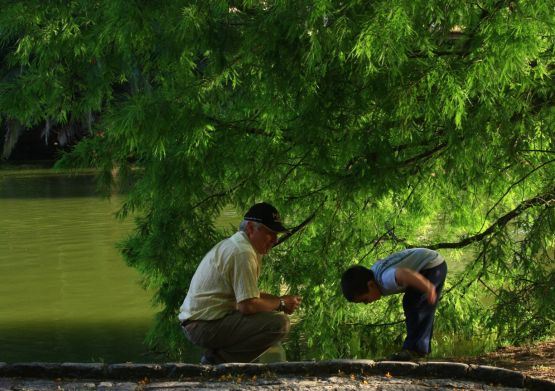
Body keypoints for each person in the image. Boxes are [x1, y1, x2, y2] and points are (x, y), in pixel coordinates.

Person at [178, 202, 302, 364]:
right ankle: (217, 362)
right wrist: (281, 303)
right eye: (269, 233)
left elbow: (250, 296)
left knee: (268, 316)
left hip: (199, 322)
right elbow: (247, 306)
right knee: (279, 324)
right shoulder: (243, 253)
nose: (274, 239)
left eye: (276, 233)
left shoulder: (241, 246)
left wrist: (281, 301)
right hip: (203, 326)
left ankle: (218, 360)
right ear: (250, 228)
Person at [341, 248, 447, 360]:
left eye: (365, 300)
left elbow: (403, 274)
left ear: (371, 285)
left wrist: (428, 288)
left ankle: (415, 350)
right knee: (413, 303)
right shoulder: (373, 274)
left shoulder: (385, 279)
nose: (366, 304)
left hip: (431, 266)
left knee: (416, 304)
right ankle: (417, 348)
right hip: (428, 264)